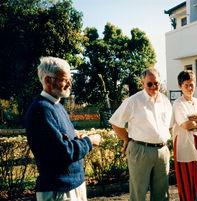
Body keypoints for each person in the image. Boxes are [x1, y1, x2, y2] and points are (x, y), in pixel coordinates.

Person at [25, 57, 101, 201]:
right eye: (64, 79)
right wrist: (89, 141)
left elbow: (63, 143)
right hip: (59, 190)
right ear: (48, 80)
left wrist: (78, 140)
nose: (69, 83)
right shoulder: (41, 110)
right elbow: (63, 152)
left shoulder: (56, 106)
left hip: (73, 185)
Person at [109, 68, 172, 201]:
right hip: (140, 151)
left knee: (162, 195)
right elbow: (115, 122)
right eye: (150, 84)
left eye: (157, 84)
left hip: (162, 151)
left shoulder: (165, 101)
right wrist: (127, 139)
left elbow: (170, 125)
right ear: (143, 83)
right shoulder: (133, 101)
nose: (154, 87)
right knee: (138, 194)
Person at [172, 70, 197, 201]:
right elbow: (186, 125)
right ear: (180, 87)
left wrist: (196, 119)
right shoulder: (178, 103)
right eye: (186, 85)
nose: (190, 88)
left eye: (192, 84)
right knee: (188, 180)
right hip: (185, 144)